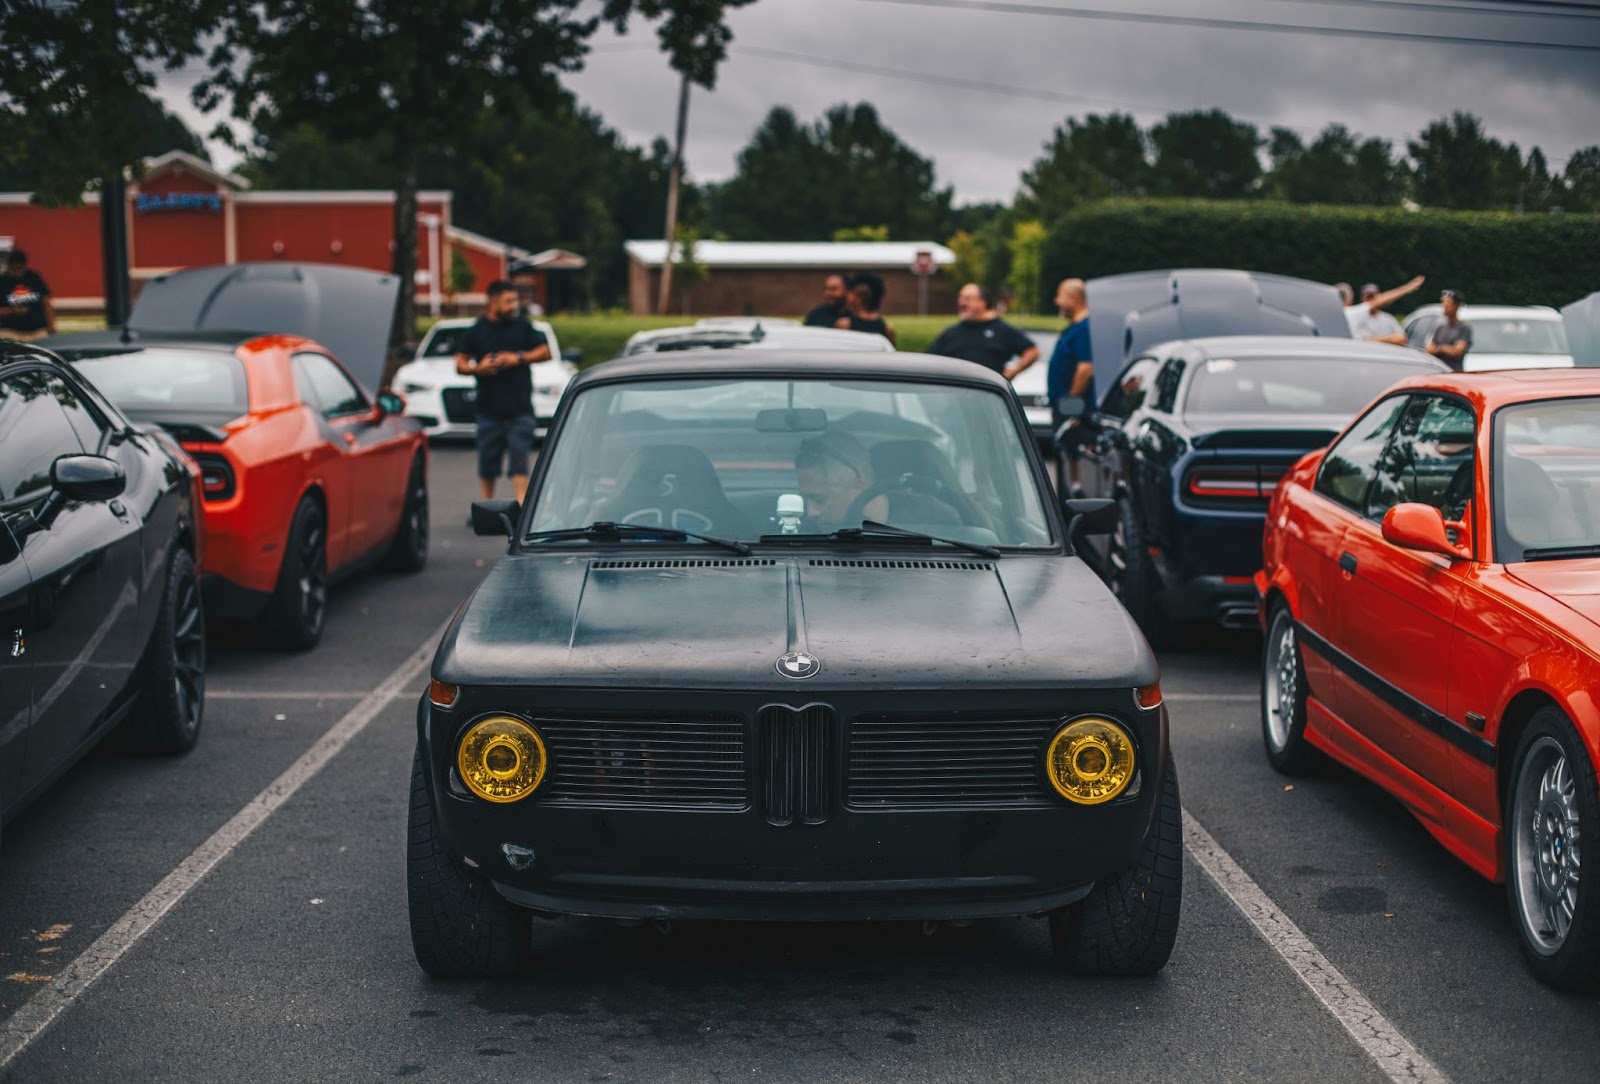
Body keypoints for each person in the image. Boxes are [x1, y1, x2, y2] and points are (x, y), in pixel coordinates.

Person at [454, 279, 551, 503]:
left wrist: (517, 357)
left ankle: (520, 505)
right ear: (492, 302)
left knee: (520, 456)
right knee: (488, 461)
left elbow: (545, 352)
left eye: (515, 300)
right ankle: (487, 506)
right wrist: (479, 368)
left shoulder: (522, 327)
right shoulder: (476, 331)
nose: (513, 305)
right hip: (488, 409)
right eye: (508, 301)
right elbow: (460, 363)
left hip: (520, 408)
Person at [926, 283, 1038, 378]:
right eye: (960, 298)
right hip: (954, 396)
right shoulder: (951, 333)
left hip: (987, 396)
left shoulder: (1001, 330)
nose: (961, 303)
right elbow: (929, 361)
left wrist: (1013, 372)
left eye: (967, 299)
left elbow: (1032, 351)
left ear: (982, 302)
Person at [794, 433, 887, 531]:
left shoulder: (903, 534)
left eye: (819, 499)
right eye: (805, 500)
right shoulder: (807, 535)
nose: (810, 513)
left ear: (858, 490)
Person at [1342, 274, 1424, 336]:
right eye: (1368, 296)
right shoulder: (1351, 313)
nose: (1372, 300)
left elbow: (1401, 338)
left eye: (1374, 296)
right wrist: (1407, 288)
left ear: (1379, 295)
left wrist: (1370, 340)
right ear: (1362, 297)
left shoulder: (1388, 319)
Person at [0, 250, 55, 341]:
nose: (18, 272)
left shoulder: (34, 278)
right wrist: (12, 310)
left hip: (37, 331)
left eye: (20, 268)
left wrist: (51, 326)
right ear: (8, 267)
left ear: (25, 266)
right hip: (10, 332)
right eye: (14, 269)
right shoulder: (2, 282)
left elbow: (45, 303)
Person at [834, 271, 897, 345]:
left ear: (857, 298)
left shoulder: (844, 325)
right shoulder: (888, 329)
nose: (847, 297)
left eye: (850, 293)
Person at [1426, 289, 1473, 371]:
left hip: (1454, 372)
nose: (1444, 308)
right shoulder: (1441, 327)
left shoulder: (1464, 328)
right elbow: (1429, 349)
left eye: (1447, 305)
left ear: (1456, 306)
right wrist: (1444, 349)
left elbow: (1457, 351)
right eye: (1443, 304)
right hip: (1438, 371)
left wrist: (1439, 349)